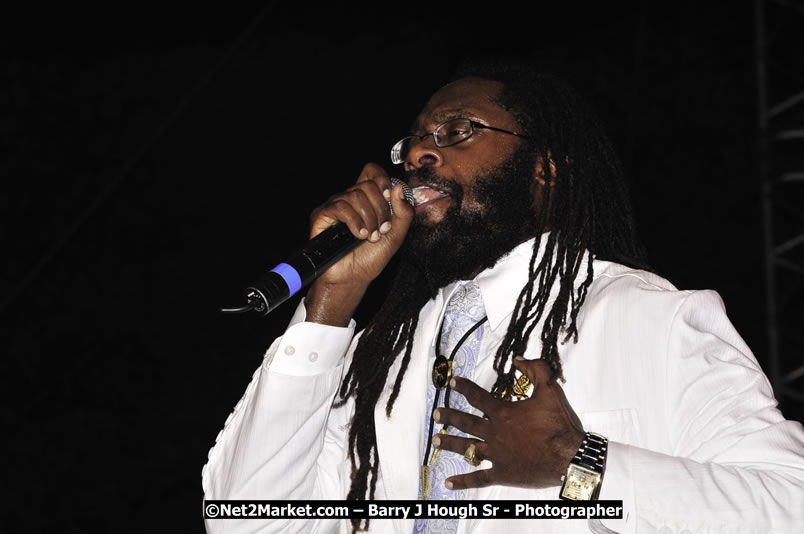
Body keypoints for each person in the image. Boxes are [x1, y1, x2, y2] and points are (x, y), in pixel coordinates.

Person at [202, 61, 804, 533]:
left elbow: (788, 507)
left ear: (545, 169)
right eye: (411, 142)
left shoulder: (645, 315)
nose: (417, 154)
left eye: (457, 131)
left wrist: (581, 464)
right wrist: (331, 305)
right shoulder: (383, 356)